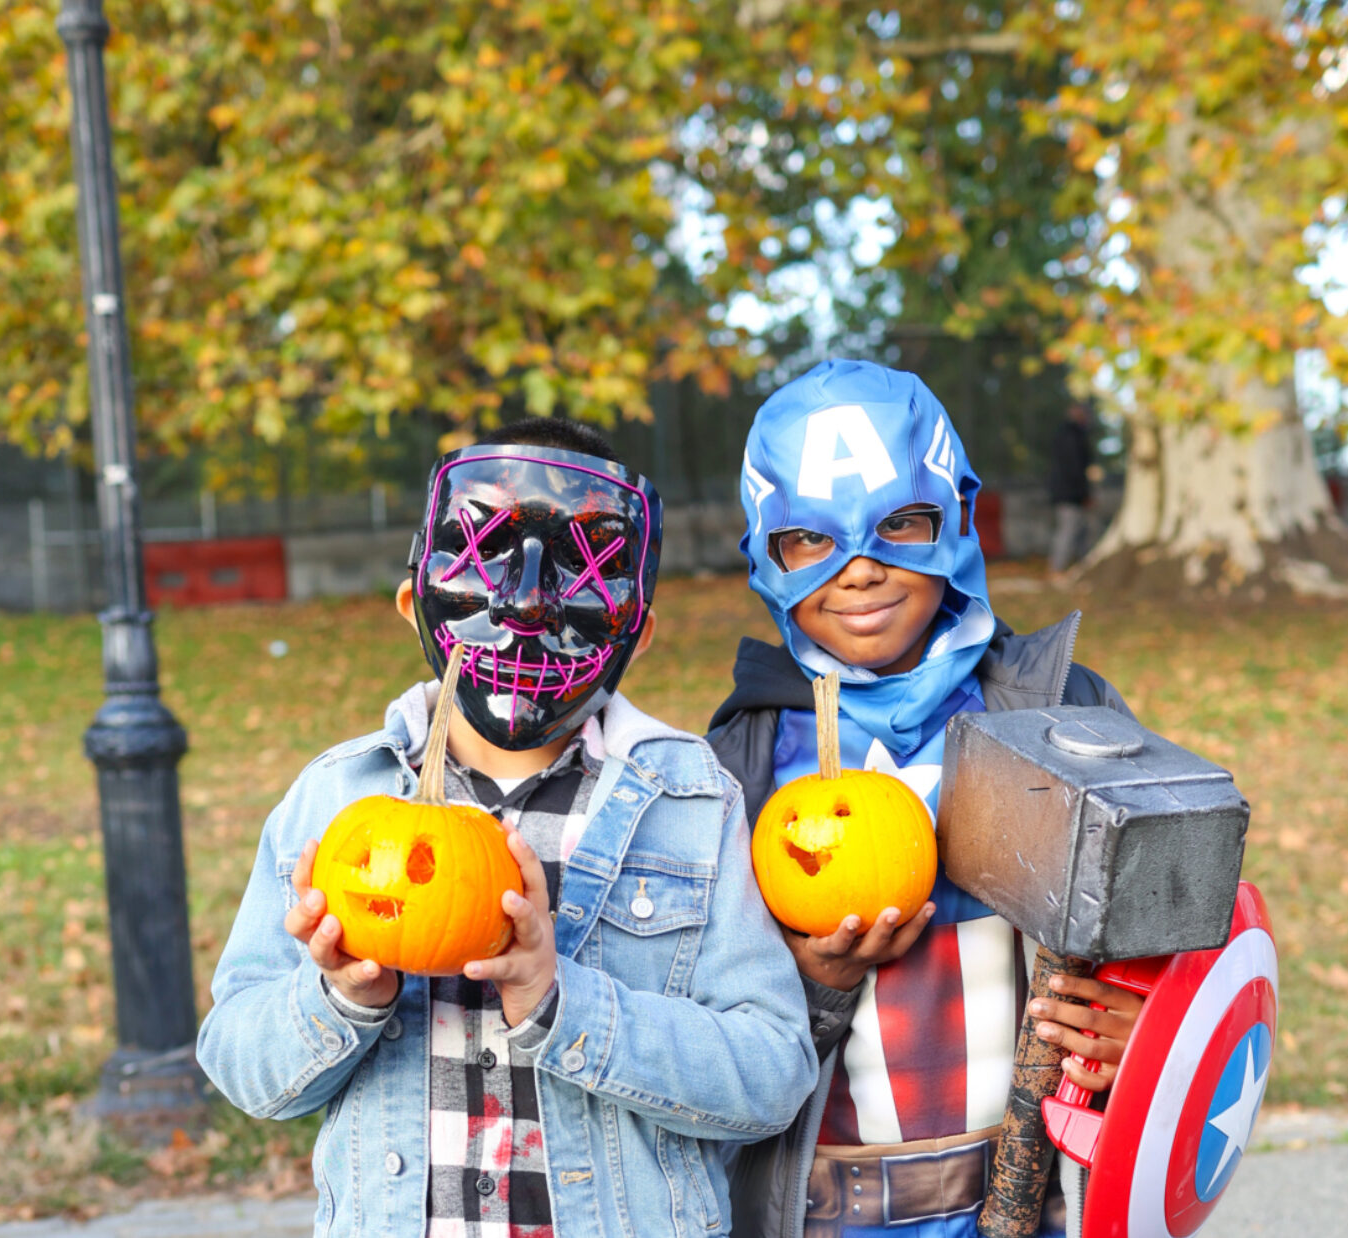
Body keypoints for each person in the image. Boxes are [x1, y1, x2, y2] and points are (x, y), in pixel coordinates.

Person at [198, 419, 817, 1238]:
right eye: (493, 557)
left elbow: (771, 1077)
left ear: (640, 630)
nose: (526, 606)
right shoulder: (335, 801)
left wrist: (562, 1002)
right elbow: (241, 1064)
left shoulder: (689, 803)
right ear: (412, 602)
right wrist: (341, 997)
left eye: (579, 564)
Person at [708, 361, 1144, 1238]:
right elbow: (707, 1032)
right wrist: (811, 985)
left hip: (1041, 1198)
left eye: (902, 524)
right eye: (811, 540)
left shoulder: (1065, 715)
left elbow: (1171, 936)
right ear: (763, 547)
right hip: (824, 1206)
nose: (862, 571)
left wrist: (1146, 1027)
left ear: (959, 513)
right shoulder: (739, 761)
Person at [1047, 402, 1094, 575]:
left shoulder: (1069, 434)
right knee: (1068, 531)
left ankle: (1084, 566)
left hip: (1069, 493)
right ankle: (1057, 569)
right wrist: (1084, 494)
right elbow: (1075, 468)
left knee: (1080, 531)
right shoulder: (1072, 436)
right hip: (1069, 494)